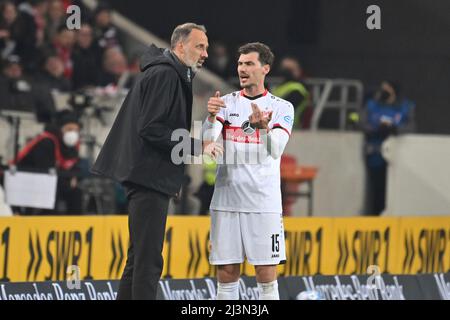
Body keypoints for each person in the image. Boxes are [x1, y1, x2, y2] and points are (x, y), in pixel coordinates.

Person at [91, 23, 216, 300]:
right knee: (148, 262)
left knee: (138, 260)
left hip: (147, 177)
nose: (205, 53)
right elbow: (152, 128)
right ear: (180, 46)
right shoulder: (166, 75)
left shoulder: (168, 72)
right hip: (148, 179)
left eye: (206, 46)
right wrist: (198, 146)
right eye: (200, 46)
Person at [202, 42, 294, 300]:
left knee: (266, 273)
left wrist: (264, 127)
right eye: (240, 63)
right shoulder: (226, 103)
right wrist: (210, 119)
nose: (242, 68)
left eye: (249, 63)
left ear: (265, 68)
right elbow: (207, 138)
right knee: (227, 273)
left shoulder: (282, 107)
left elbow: (276, 149)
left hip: (263, 202)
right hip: (226, 200)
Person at [10, 110, 83, 215]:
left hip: (57, 182)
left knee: (76, 193)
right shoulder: (46, 142)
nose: (73, 133)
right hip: (28, 182)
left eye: (76, 130)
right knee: (52, 193)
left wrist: (73, 179)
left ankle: (75, 226)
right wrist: (68, 182)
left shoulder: (72, 146)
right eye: (69, 129)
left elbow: (76, 168)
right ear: (60, 129)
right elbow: (45, 172)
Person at [362, 80, 415, 215]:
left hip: (399, 158)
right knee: (376, 191)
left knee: (395, 192)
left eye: (387, 89)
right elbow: (363, 123)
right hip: (375, 156)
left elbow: (411, 127)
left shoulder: (404, 107)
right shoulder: (372, 105)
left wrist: (395, 129)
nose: (383, 92)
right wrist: (376, 129)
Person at [272, 56, 310, 128]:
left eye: (289, 69)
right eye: (284, 69)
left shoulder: (297, 89)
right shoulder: (280, 87)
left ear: (298, 71)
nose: (285, 72)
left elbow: (283, 109)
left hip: (290, 129)